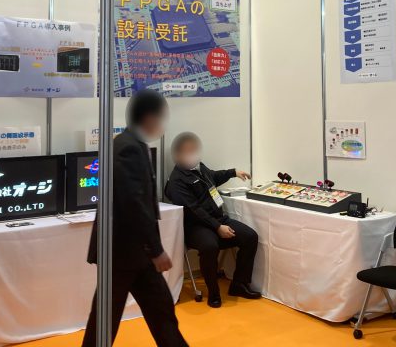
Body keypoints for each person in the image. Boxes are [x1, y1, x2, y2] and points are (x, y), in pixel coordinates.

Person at [82, 90, 188, 347]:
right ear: (149, 117)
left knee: (161, 312)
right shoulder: (127, 147)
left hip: (135, 253)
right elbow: (133, 204)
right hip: (120, 252)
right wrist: (156, 249)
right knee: (104, 322)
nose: (162, 125)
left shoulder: (132, 144)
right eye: (161, 118)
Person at [166, 132, 261, 308]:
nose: (192, 153)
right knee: (210, 246)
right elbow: (194, 210)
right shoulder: (176, 181)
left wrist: (233, 172)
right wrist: (218, 227)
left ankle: (239, 284)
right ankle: (214, 293)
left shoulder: (199, 167)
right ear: (178, 155)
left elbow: (213, 177)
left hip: (218, 220)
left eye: (194, 149)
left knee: (250, 237)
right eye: (187, 151)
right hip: (196, 227)